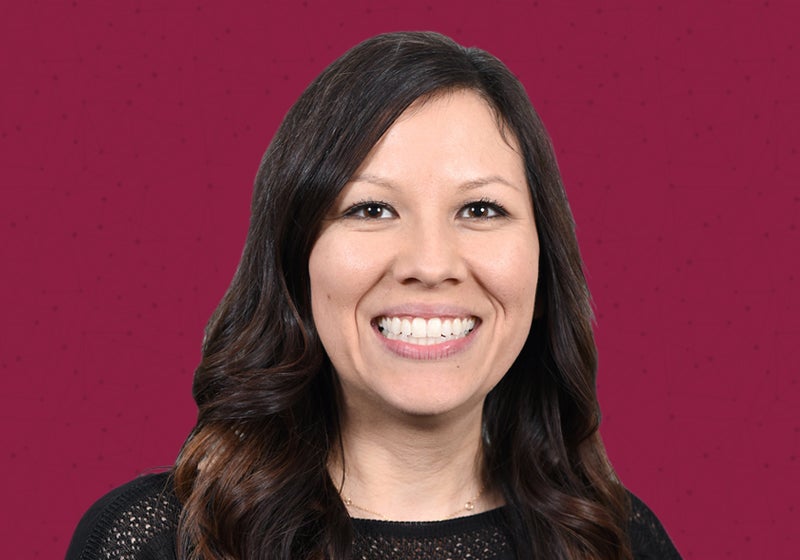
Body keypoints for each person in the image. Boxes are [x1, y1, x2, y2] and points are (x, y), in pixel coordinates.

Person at [66, 31, 682, 560]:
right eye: (372, 208)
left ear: (544, 272)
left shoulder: (619, 540)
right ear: (295, 263)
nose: (430, 264)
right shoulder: (155, 541)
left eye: (480, 208)